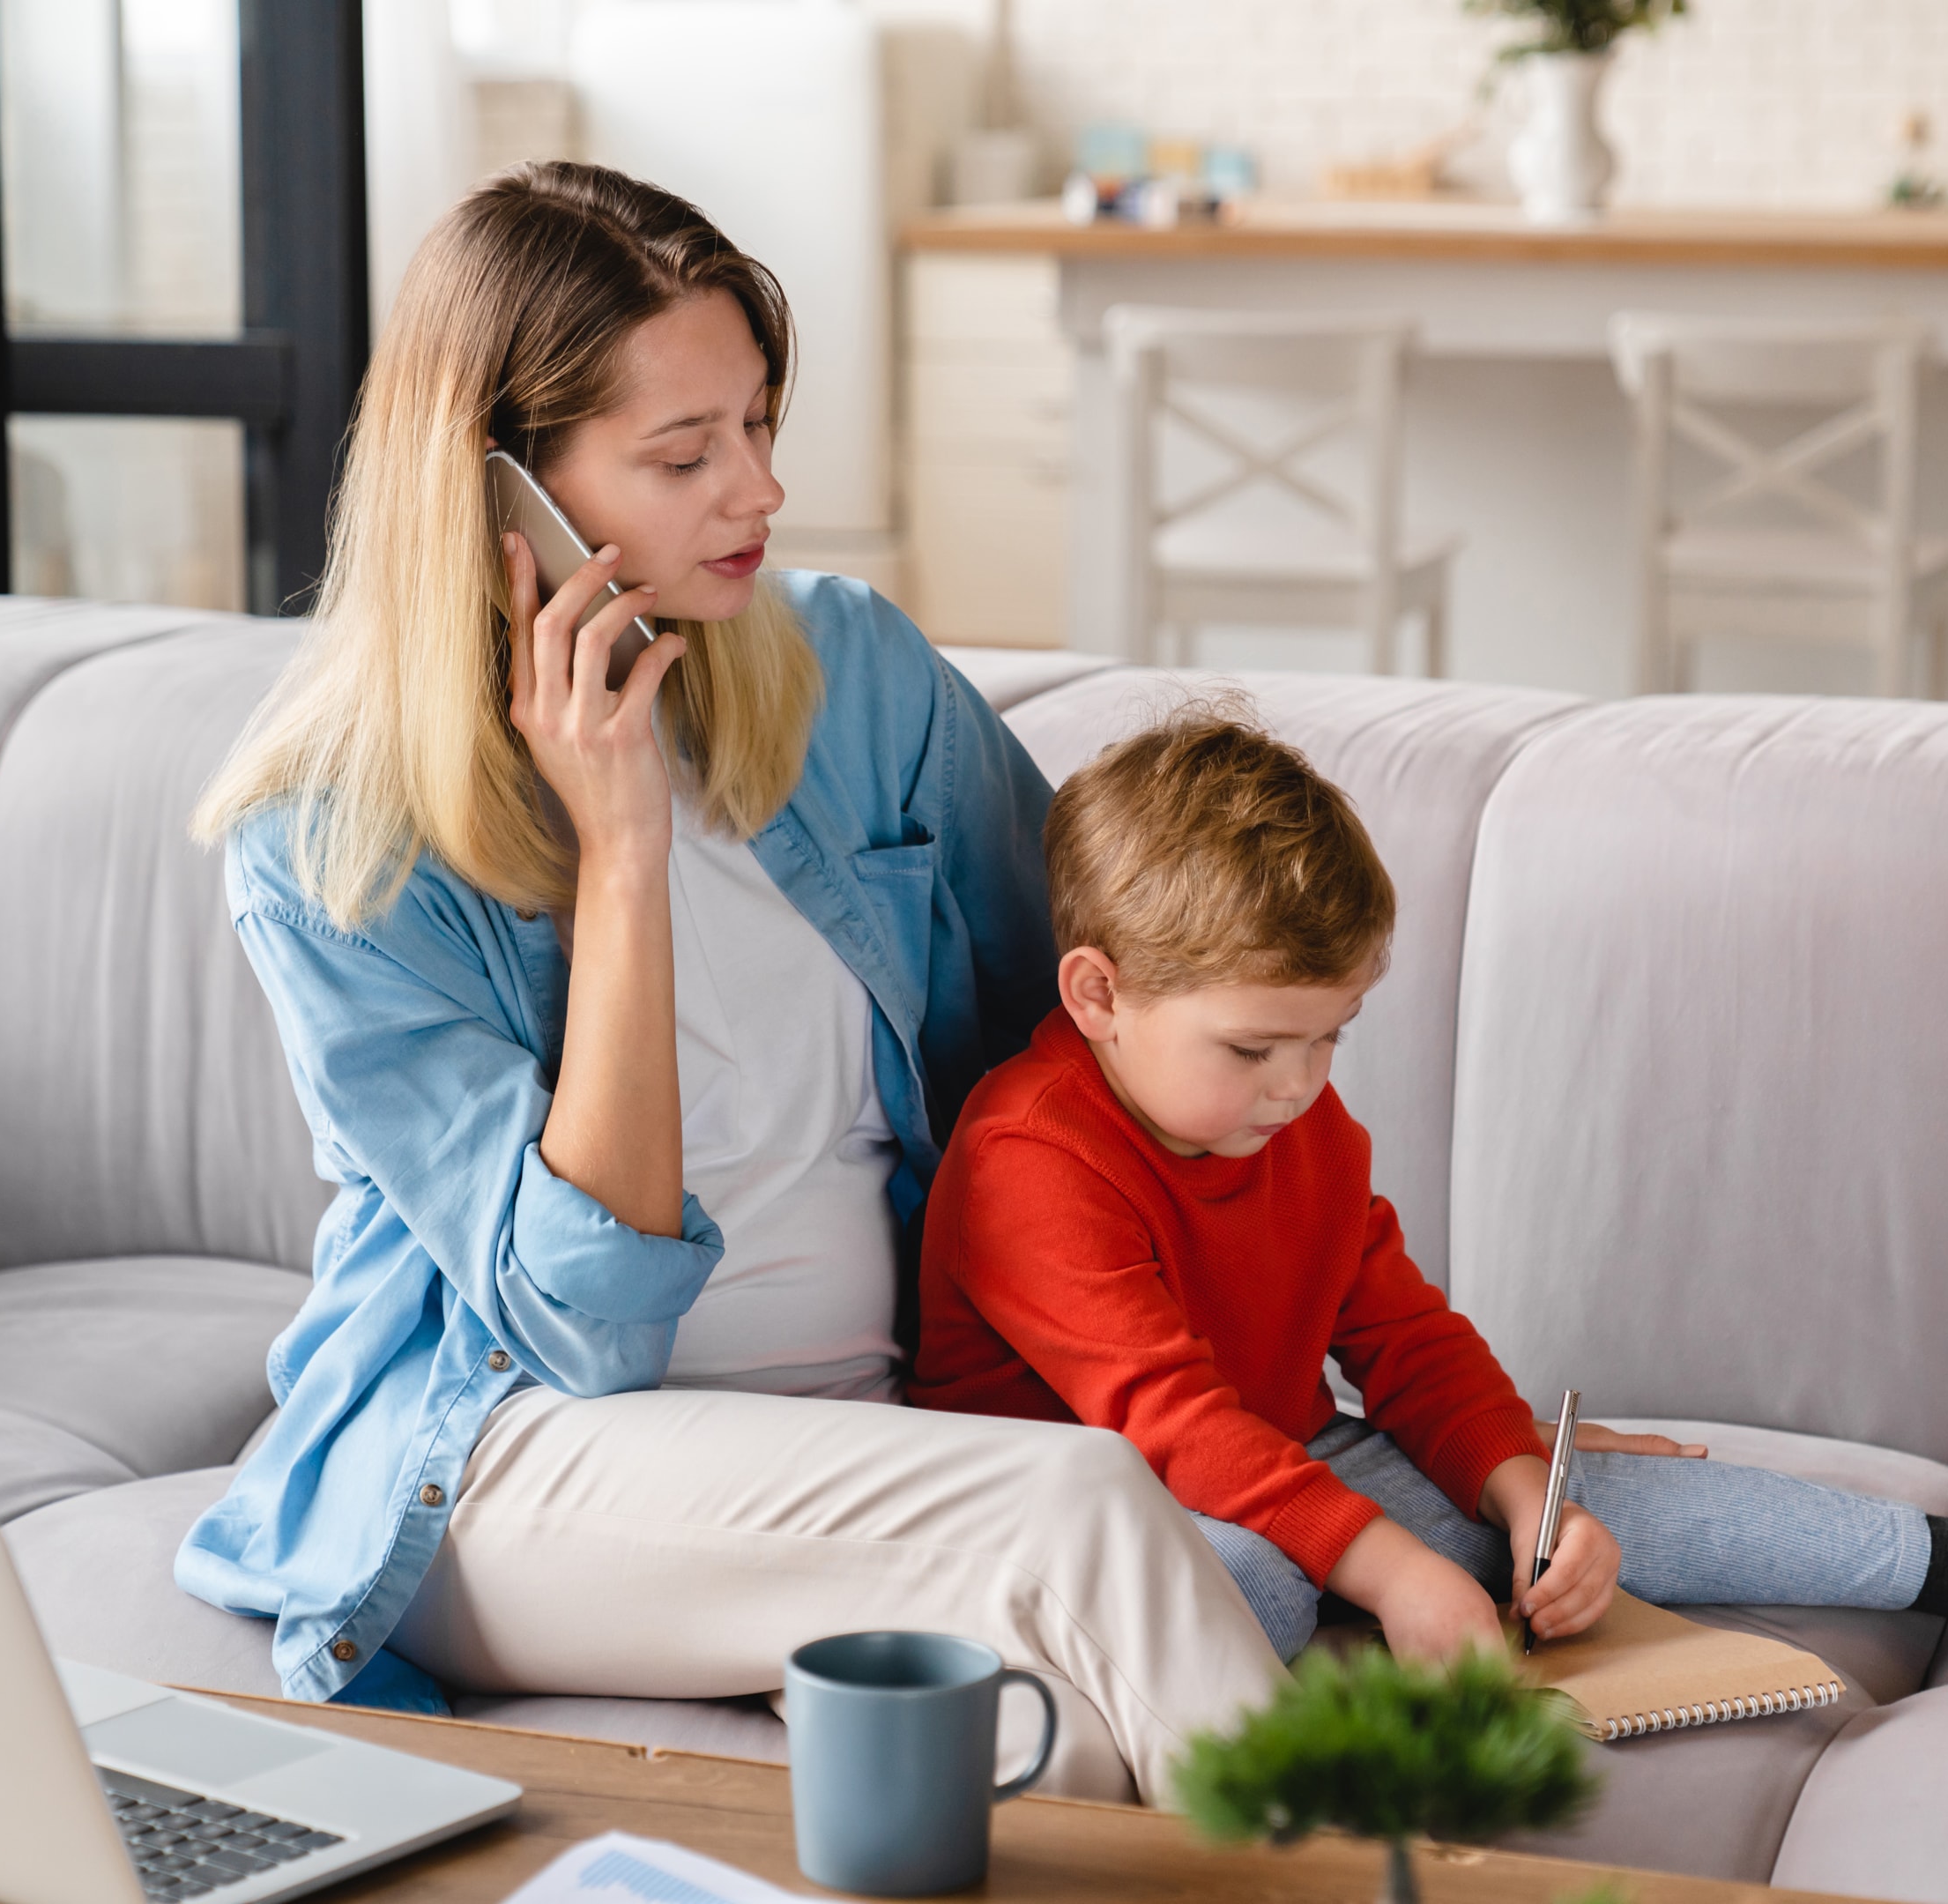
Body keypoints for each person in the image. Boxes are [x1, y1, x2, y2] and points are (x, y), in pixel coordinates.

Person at [177, 162, 1283, 1805]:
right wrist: (622, 854)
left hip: (879, 1440)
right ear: (503, 505)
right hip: (515, 1465)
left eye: (758, 425)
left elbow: (1095, 1044)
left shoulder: (854, 681)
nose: (756, 492)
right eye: (684, 455)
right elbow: (588, 1332)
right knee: (1082, 1509)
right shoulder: (333, 847)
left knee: (1054, 1749)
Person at [910, 709, 1948, 1663]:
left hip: (1281, 1458)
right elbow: (1170, 1425)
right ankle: (1370, 1620)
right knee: (1252, 1581)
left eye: (1328, 1038)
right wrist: (1392, 1570)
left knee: (1555, 1494)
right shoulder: (1028, 1156)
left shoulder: (1297, 1127)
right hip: (1097, 1510)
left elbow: (1403, 1339)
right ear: (1097, 997)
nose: (1297, 1087)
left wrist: (1518, 1492)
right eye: (1251, 1050)